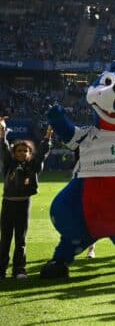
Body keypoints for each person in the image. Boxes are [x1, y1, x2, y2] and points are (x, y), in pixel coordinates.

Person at [0, 119, 51, 280]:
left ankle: (19, 269)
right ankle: (1, 270)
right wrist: (2, 134)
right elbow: (4, 148)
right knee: (5, 238)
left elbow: (42, 153)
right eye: (19, 151)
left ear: (30, 153)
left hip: (23, 203)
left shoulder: (33, 166)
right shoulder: (9, 164)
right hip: (8, 203)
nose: (22, 153)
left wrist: (48, 136)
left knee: (20, 239)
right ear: (14, 153)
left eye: (25, 151)